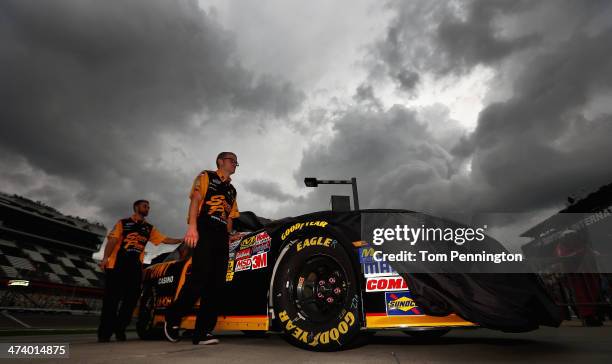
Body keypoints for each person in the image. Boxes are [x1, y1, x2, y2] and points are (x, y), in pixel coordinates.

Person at [164, 152, 240, 345]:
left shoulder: (232, 190)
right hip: (204, 228)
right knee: (199, 278)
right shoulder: (206, 176)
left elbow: (229, 217)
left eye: (236, 162)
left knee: (216, 284)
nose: (235, 164)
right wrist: (192, 227)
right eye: (232, 160)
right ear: (221, 161)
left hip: (221, 235)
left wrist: (230, 235)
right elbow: (196, 200)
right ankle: (173, 317)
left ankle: (202, 332)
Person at [98, 200, 182, 342]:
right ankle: (104, 334)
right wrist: (105, 258)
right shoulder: (123, 223)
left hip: (135, 267)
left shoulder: (149, 228)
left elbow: (165, 239)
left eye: (148, 207)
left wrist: (183, 239)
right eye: (145, 206)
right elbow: (112, 240)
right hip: (117, 266)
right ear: (137, 207)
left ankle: (120, 331)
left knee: (130, 302)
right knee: (111, 301)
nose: (148, 208)